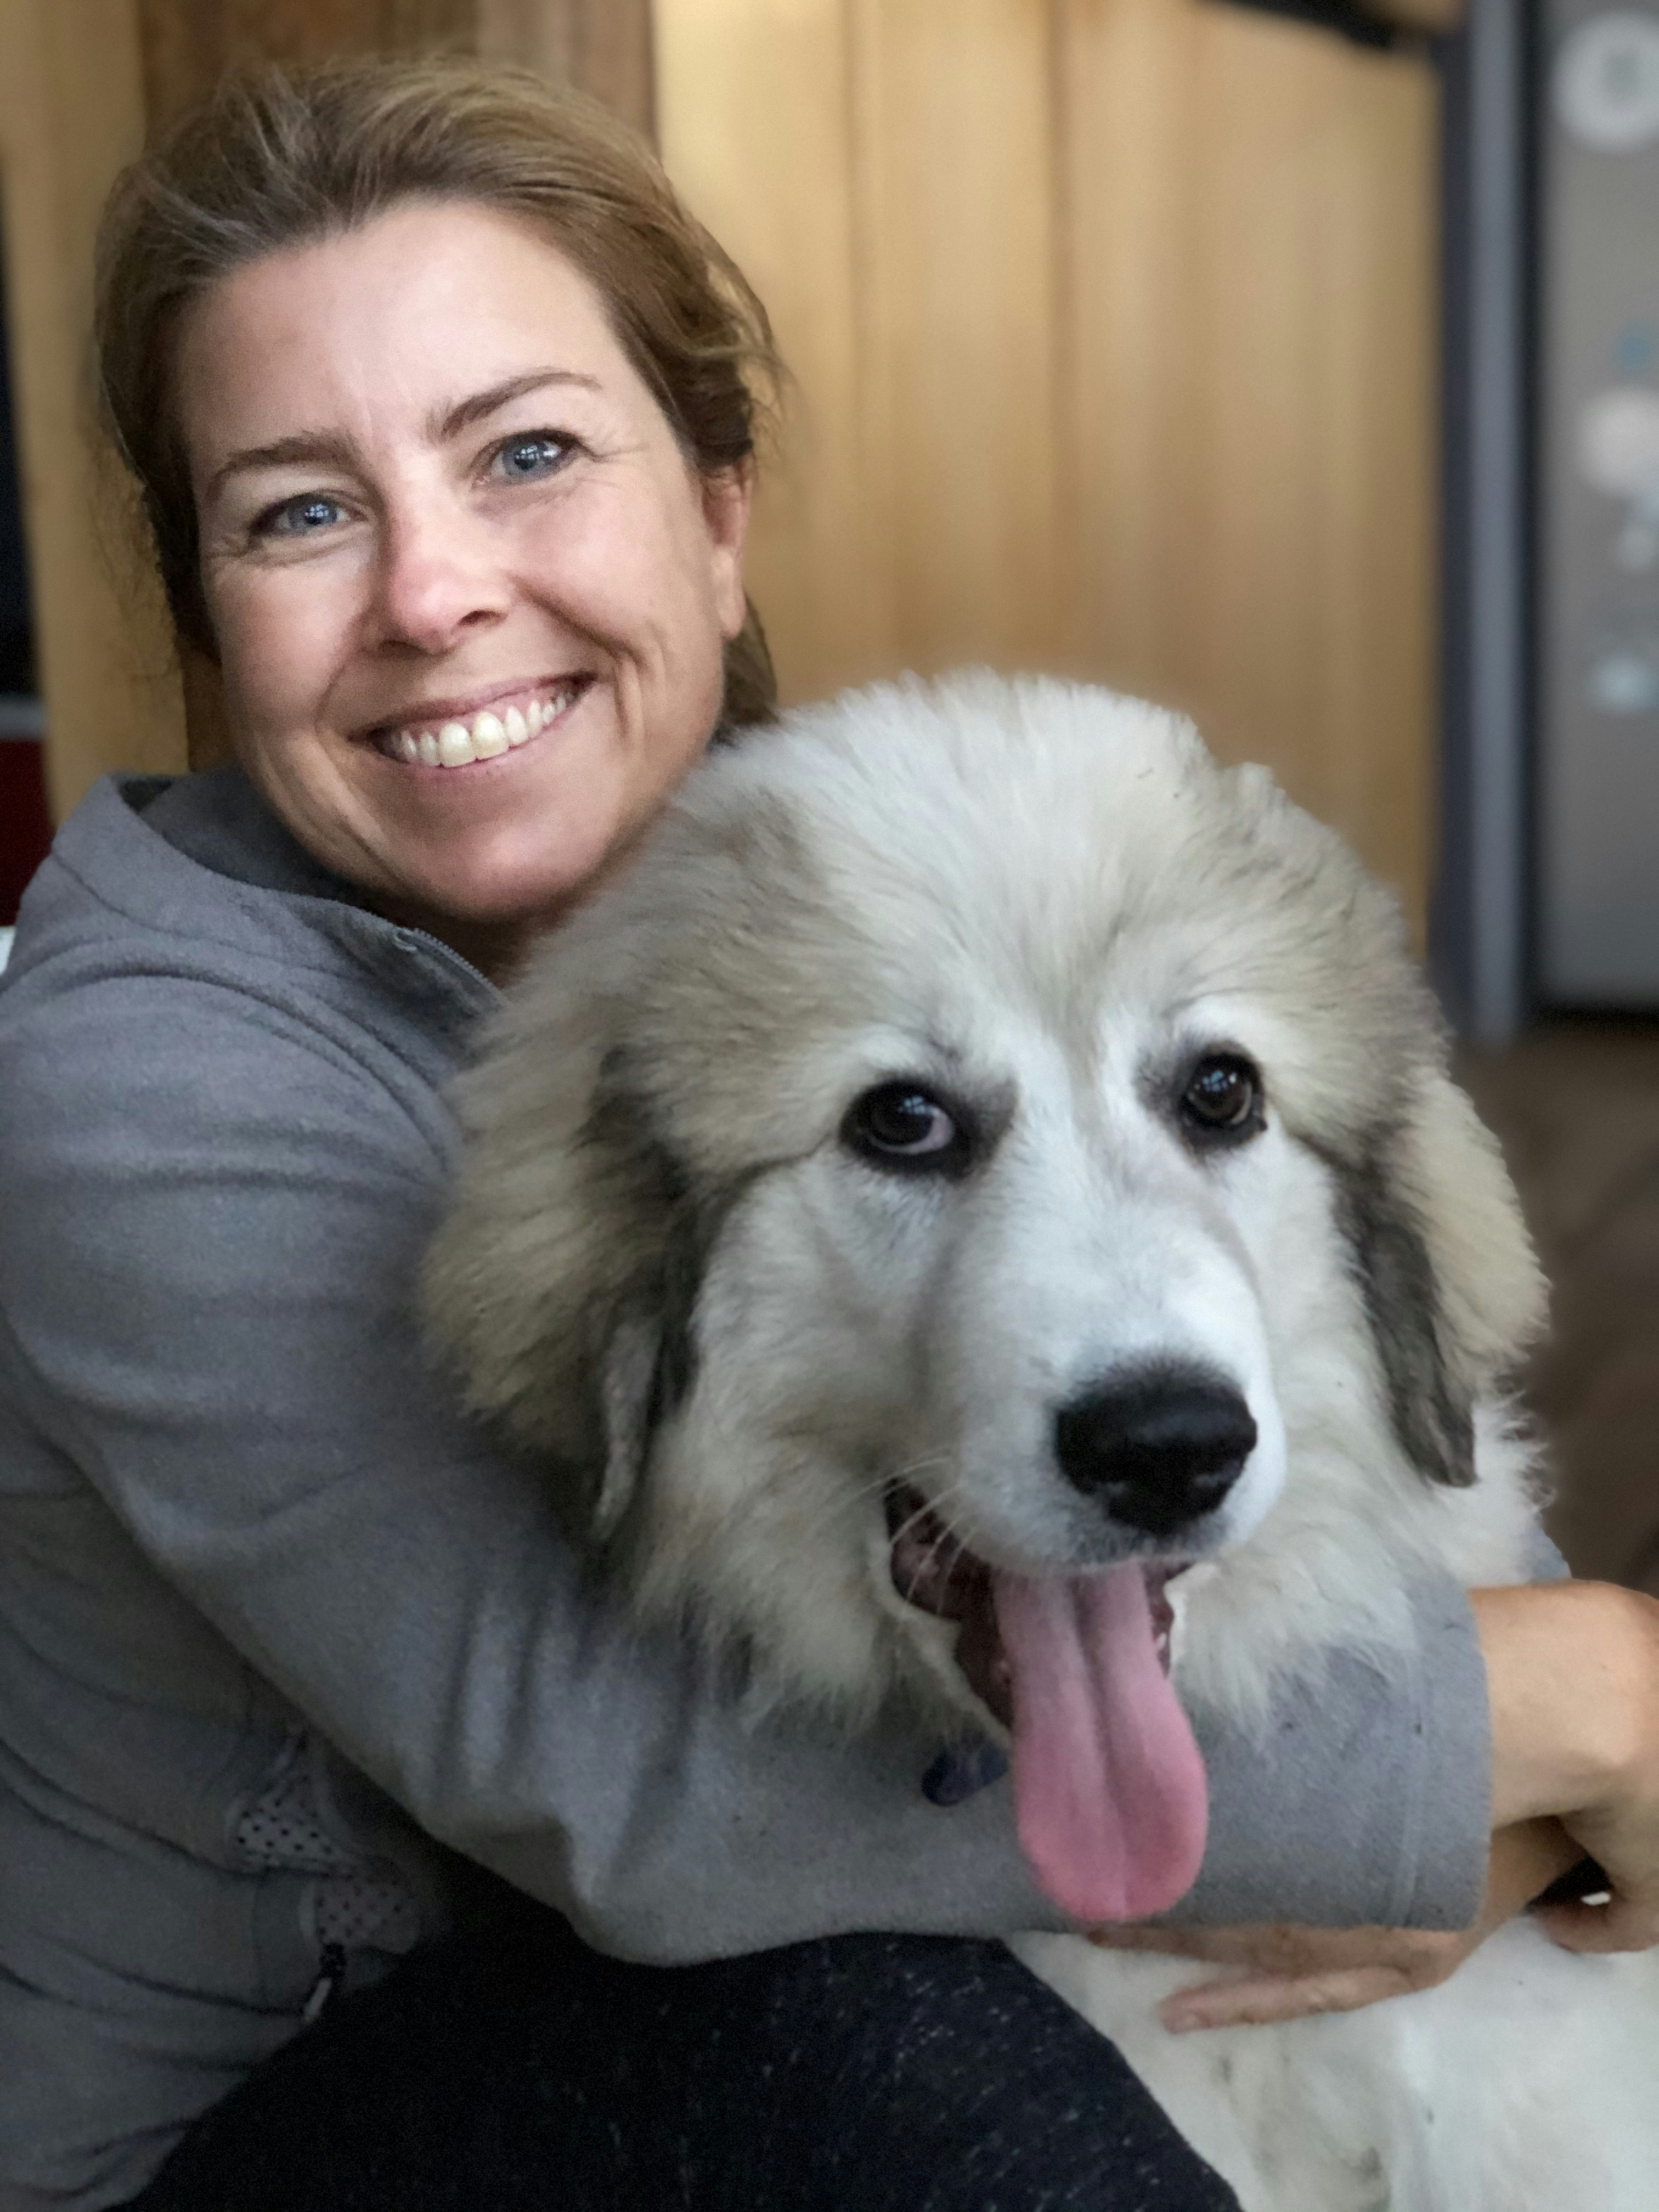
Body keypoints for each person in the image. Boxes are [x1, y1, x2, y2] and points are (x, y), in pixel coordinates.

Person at [1, 53, 1657, 2212]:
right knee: (885, 2034)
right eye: (299, 510)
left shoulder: (809, 878)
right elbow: (631, 1789)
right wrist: (1572, 1720)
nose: (430, 595)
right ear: (209, 616)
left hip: (742, 1933)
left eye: (525, 454)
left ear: (713, 516)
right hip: (313, 2120)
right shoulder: (134, 1083)